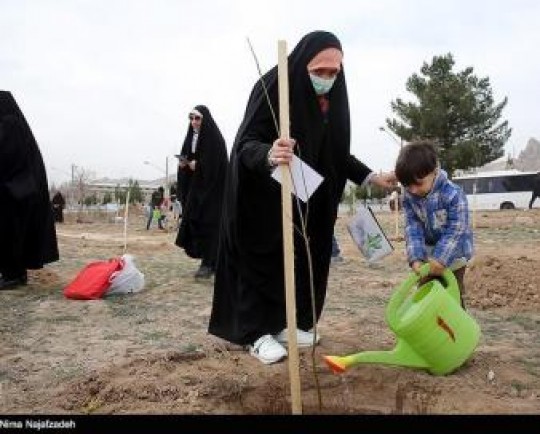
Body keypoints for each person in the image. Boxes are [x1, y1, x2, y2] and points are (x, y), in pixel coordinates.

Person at [208, 31, 396, 365]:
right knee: (261, 266)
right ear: (302, 63)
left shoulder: (331, 102)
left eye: (333, 73)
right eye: (320, 71)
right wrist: (270, 152)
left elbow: (337, 154)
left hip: (302, 204)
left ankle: (284, 325)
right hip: (260, 201)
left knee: (294, 265)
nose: (326, 79)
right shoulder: (271, 88)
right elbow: (245, 145)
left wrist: (370, 176)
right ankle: (255, 334)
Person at [394, 140, 473, 309]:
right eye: (408, 185)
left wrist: (441, 259)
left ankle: (458, 333)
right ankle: (430, 332)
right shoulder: (409, 196)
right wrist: (416, 258)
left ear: (434, 171)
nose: (413, 190)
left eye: (418, 183)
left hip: (454, 257)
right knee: (426, 297)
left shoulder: (453, 194)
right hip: (427, 258)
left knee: (451, 298)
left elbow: (457, 230)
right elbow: (412, 227)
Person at [0, 91, 59, 290]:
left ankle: (13, 275)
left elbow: (8, 156)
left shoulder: (10, 123)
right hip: (17, 190)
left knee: (11, 234)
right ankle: (14, 274)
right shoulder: (13, 122)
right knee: (13, 235)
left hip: (15, 192)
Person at [174, 105, 228, 279]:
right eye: (191, 118)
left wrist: (199, 166)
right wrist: (184, 165)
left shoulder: (215, 139)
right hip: (196, 190)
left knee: (210, 225)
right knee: (195, 221)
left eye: (197, 118)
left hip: (213, 193)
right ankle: (207, 260)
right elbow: (187, 156)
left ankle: (209, 263)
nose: (193, 122)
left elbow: (217, 164)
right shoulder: (191, 138)